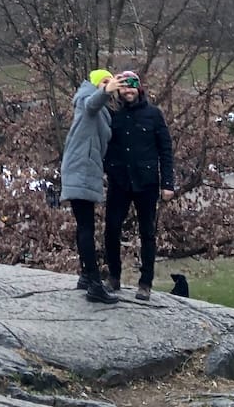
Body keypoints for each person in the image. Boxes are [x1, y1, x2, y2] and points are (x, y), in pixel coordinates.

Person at [103, 70, 174, 302]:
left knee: (147, 233)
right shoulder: (112, 115)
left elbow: (165, 150)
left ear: (139, 88)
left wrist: (168, 183)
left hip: (146, 182)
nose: (128, 91)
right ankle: (114, 276)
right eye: (123, 87)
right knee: (111, 229)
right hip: (119, 181)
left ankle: (145, 283)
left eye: (131, 86)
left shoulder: (153, 114)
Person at [59, 69, 123, 305]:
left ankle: (86, 276)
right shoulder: (86, 101)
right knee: (86, 226)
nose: (110, 85)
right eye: (105, 81)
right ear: (96, 84)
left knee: (84, 225)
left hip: (85, 169)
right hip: (81, 169)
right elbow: (91, 104)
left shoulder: (101, 111)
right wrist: (105, 90)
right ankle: (95, 284)